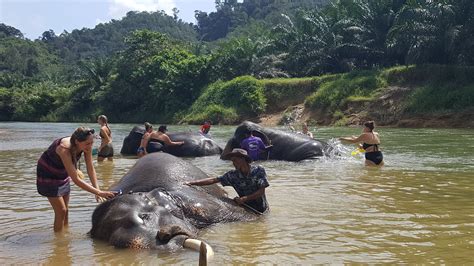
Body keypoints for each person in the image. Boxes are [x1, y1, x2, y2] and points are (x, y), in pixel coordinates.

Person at [36, 127, 117, 232]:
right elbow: (76, 180)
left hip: (62, 173)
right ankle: (59, 243)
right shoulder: (63, 149)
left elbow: (90, 168)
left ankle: (65, 234)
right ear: (77, 142)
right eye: (88, 143)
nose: (90, 146)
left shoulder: (86, 146)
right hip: (48, 174)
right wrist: (99, 192)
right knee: (61, 211)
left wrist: (97, 190)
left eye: (92, 142)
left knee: (66, 210)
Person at [186, 148, 269, 213]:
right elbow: (214, 180)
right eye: (232, 161)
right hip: (246, 208)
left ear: (243, 159)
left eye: (235, 160)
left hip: (262, 208)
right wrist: (192, 183)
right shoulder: (232, 175)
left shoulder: (258, 170)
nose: (233, 163)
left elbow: (261, 191)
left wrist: (244, 199)